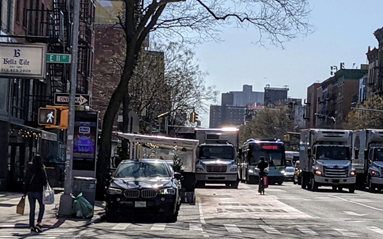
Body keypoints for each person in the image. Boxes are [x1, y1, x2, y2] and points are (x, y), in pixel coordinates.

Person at [23, 155, 47, 233]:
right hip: (39, 191)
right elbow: (44, 181)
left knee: (32, 209)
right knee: (42, 207)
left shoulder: (29, 169)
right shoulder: (41, 169)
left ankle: (31, 225)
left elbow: (26, 180)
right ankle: (39, 222)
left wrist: (24, 192)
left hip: (30, 191)